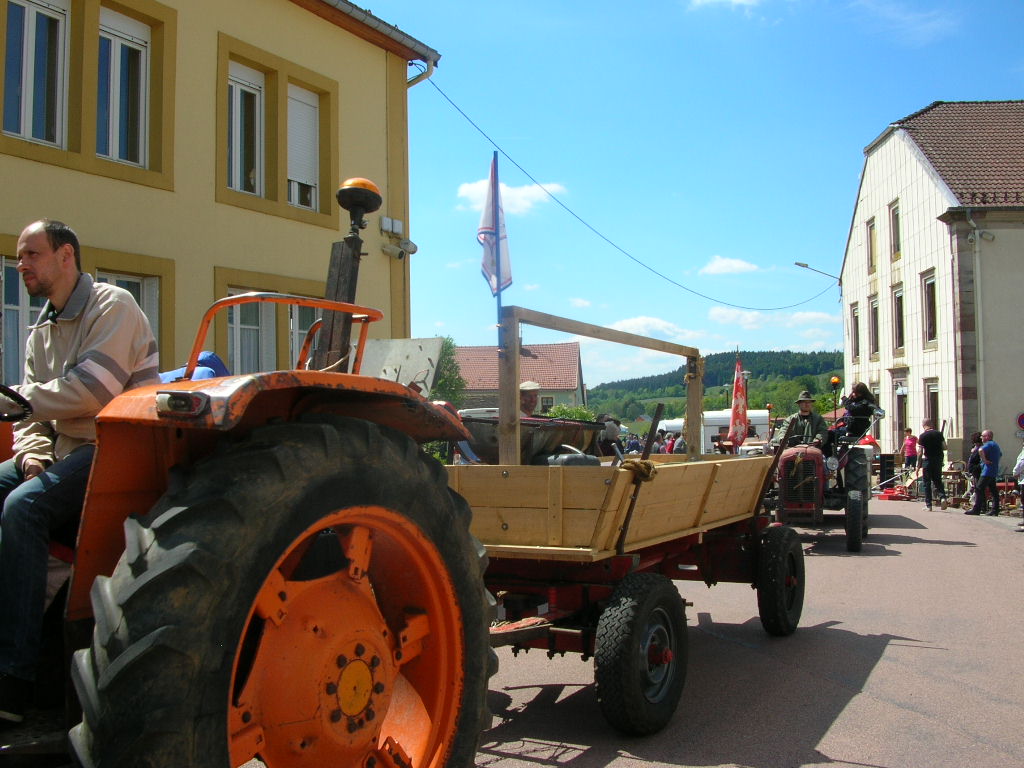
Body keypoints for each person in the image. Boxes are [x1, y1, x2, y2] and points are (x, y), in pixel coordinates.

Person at [0, 219, 160, 724]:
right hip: (68, 449)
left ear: (65, 255)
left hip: (115, 447)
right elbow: (30, 415)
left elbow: (93, 389)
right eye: (20, 256)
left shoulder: (114, 307)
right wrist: (30, 455)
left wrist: (23, 403)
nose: (20, 264)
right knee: (17, 485)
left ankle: (17, 679)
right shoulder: (40, 330)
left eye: (31, 254)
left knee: (23, 508)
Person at [967, 429, 1001, 516]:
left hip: (987, 471)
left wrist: (985, 460)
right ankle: (995, 509)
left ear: (987, 437)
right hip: (993, 470)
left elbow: (980, 450)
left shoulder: (989, 444)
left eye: (982, 436)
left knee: (979, 488)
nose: (981, 438)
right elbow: (1000, 454)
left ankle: (977, 509)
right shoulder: (995, 445)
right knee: (993, 490)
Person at [917, 419, 948, 511]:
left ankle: (929, 505)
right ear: (931, 424)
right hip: (938, 459)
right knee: (938, 480)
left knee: (927, 483)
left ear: (923, 425)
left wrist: (918, 465)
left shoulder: (922, 436)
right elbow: (945, 447)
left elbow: (919, 452)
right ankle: (943, 497)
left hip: (928, 460)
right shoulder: (939, 434)